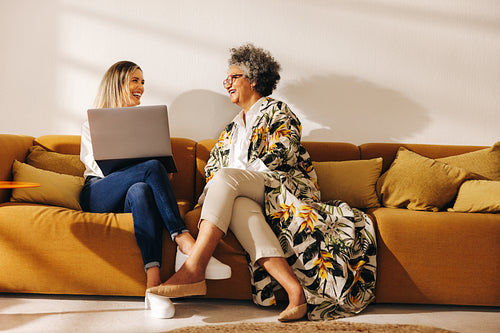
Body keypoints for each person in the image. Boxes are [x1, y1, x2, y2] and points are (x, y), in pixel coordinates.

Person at [147, 45, 377, 321]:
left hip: (278, 187)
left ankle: (195, 265)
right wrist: (231, 182)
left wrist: (234, 177)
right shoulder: (231, 128)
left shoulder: (277, 111)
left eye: (233, 77)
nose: (227, 84)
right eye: (226, 79)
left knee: (228, 180)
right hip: (243, 193)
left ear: (253, 79)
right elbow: (213, 168)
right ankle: (295, 292)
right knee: (239, 203)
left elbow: (284, 151)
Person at [79, 61, 230, 318]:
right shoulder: (93, 122)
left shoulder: (147, 126)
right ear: (118, 83)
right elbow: (97, 167)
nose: (141, 87)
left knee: (141, 190)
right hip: (98, 192)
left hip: (131, 193)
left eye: (143, 82)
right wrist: (146, 167)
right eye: (135, 81)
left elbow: (150, 176)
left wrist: (159, 173)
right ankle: (184, 240)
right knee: (148, 168)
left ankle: (154, 284)